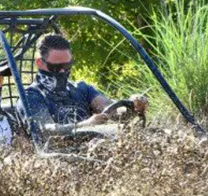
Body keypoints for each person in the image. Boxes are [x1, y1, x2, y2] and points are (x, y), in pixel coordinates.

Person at [17, 34, 148, 135]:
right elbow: (46, 130)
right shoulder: (31, 97)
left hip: (94, 150)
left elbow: (110, 108)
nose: (63, 71)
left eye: (67, 65)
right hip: (59, 160)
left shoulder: (81, 89)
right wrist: (86, 124)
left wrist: (133, 105)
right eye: (56, 67)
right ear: (40, 63)